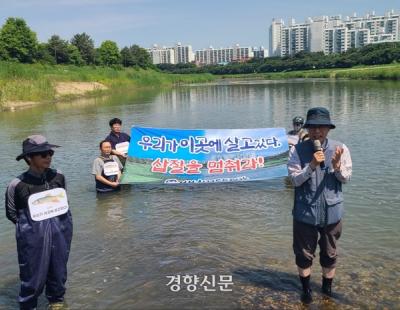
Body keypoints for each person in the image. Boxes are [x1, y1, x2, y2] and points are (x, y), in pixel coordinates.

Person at [287, 107, 352, 303]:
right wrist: (312, 165)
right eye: (313, 127)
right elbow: (295, 181)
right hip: (305, 211)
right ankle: (306, 292)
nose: (317, 131)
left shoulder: (341, 148)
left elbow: (346, 179)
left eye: (322, 127)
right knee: (304, 254)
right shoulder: (296, 150)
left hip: (332, 212)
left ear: (328, 129)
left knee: (330, 253)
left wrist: (338, 167)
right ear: (307, 128)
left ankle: (327, 291)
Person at [5, 135, 73, 310]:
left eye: (50, 153)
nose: (48, 157)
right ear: (29, 158)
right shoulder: (17, 185)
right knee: (32, 275)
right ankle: (28, 305)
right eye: (43, 154)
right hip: (32, 237)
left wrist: (57, 227)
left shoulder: (59, 177)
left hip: (61, 231)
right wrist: (34, 231)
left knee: (58, 270)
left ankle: (57, 301)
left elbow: (65, 202)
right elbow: (12, 214)